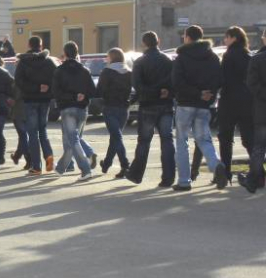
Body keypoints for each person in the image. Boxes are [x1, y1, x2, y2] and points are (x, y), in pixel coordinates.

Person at [172, 25, 227, 192]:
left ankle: (184, 181)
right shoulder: (212, 57)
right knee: (204, 139)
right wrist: (208, 93)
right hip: (204, 104)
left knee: (182, 142)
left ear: (187, 37)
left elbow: (177, 82)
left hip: (185, 104)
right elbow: (219, 79)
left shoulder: (181, 57)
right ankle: (216, 165)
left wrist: (196, 93)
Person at [126, 32, 176, 186]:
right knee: (167, 140)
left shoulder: (140, 62)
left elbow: (137, 86)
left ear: (144, 44)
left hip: (148, 104)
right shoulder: (168, 60)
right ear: (158, 41)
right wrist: (166, 91)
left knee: (144, 141)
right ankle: (168, 177)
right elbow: (174, 81)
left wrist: (153, 91)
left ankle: (136, 174)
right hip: (166, 104)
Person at [53, 42, 96, 181]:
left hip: (67, 108)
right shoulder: (85, 70)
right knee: (72, 140)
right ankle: (61, 168)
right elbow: (93, 91)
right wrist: (83, 95)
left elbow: (56, 92)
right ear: (77, 53)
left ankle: (85, 169)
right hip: (82, 108)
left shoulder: (59, 70)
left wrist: (71, 97)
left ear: (65, 54)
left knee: (73, 140)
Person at [15, 36, 57, 176]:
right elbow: (56, 78)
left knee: (32, 133)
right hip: (44, 100)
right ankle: (49, 156)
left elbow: (19, 81)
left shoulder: (24, 62)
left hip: (30, 100)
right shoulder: (49, 61)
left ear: (29, 45)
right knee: (43, 131)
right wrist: (46, 88)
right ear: (41, 45)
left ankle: (36, 166)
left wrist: (35, 88)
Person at [216, 26, 254, 182]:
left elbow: (222, 79)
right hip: (247, 102)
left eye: (226, 37)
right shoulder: (248, 55)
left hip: (229, 101)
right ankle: (258, 170)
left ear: (233, 38)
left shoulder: (228, 55)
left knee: (226, 138)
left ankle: (226, 172)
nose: (225, 40)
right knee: (249, 139)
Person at [97, 48, 132, 178]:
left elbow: (99, 90)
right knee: (115, 137)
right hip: (124, 108)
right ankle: (106, 164)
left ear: (111, 58)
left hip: (110, 107)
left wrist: (102, 102)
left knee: (116, 137)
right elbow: (137, 90)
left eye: (107, 57)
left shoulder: (107, 72)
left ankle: (125, 165)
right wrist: (131, 101)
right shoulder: (129, 72)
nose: (106, 59)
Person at [243, 29, 266, 193]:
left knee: (259, 148)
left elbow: (251, 84)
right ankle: (253, 178)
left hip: (262, 110)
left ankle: (254, 179)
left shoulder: (257, 60)